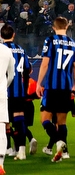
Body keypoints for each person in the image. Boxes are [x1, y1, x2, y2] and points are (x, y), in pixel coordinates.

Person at [35, 16, 75, 162]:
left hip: (52, 87)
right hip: (66, 87)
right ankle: (65, 152)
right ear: (66, 27)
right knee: (62, 122)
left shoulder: (50, 40)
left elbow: (45, 64)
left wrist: (38, 83)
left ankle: (59, 143)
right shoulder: (73, 43)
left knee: (45, 120)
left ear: (54, 27)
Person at [1, 25, 29, 161]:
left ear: (1, 36)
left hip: (4, 91)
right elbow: (27, 70)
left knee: (5, 122)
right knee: (19, 120)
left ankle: (8, 149)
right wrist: (26, 88)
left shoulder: (1, 50)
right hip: (19, 91)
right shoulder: (21, 50)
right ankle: (21, 150)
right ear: (14, 34)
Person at [0, 28, 14, 175]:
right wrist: (4, 86)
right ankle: (0, 165)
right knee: (1, 127)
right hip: (1, 94)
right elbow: (11, 74)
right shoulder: (5, 50)